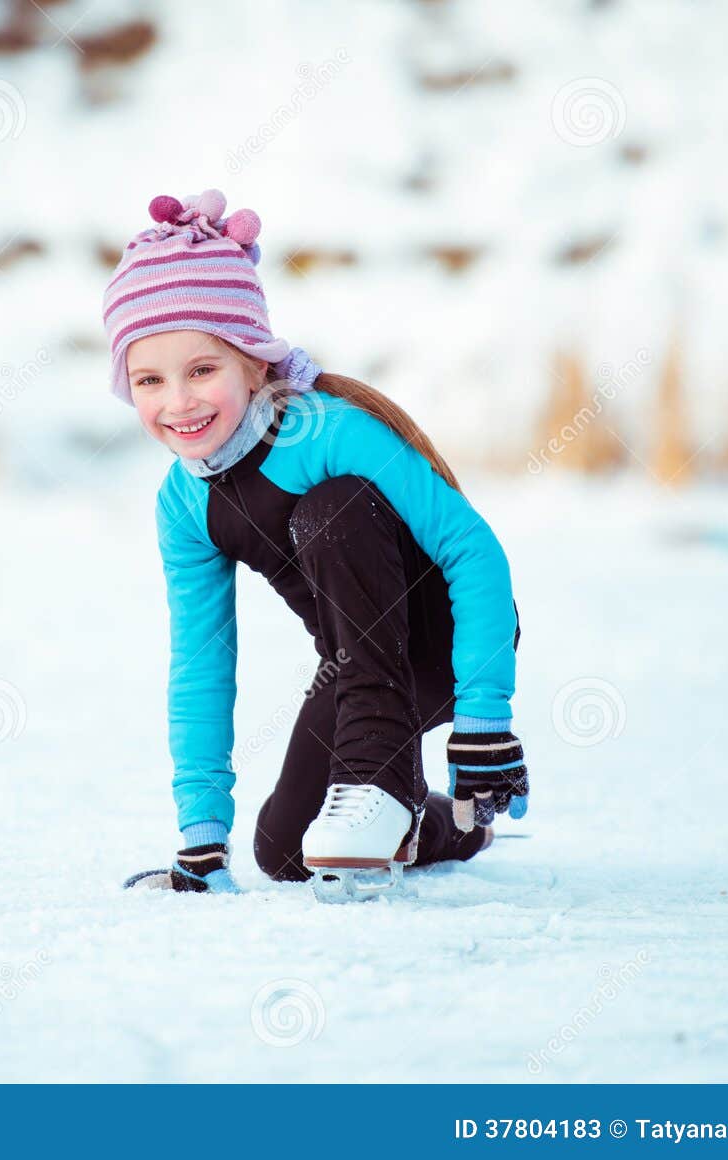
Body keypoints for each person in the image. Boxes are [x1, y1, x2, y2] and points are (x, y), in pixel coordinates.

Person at [107, 189, 529, 903]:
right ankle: (448, 830)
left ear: (253, 363)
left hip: (448, 638)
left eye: (202, 369)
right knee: (286, 850)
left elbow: (472, 549)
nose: (178, 403)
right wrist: (202, 838)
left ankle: (380, 783)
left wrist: (486, 719)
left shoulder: (322, 431)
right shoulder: (185, 504)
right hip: (356, 661)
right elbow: (201, 665)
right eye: (149, 380)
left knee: (330, 511)